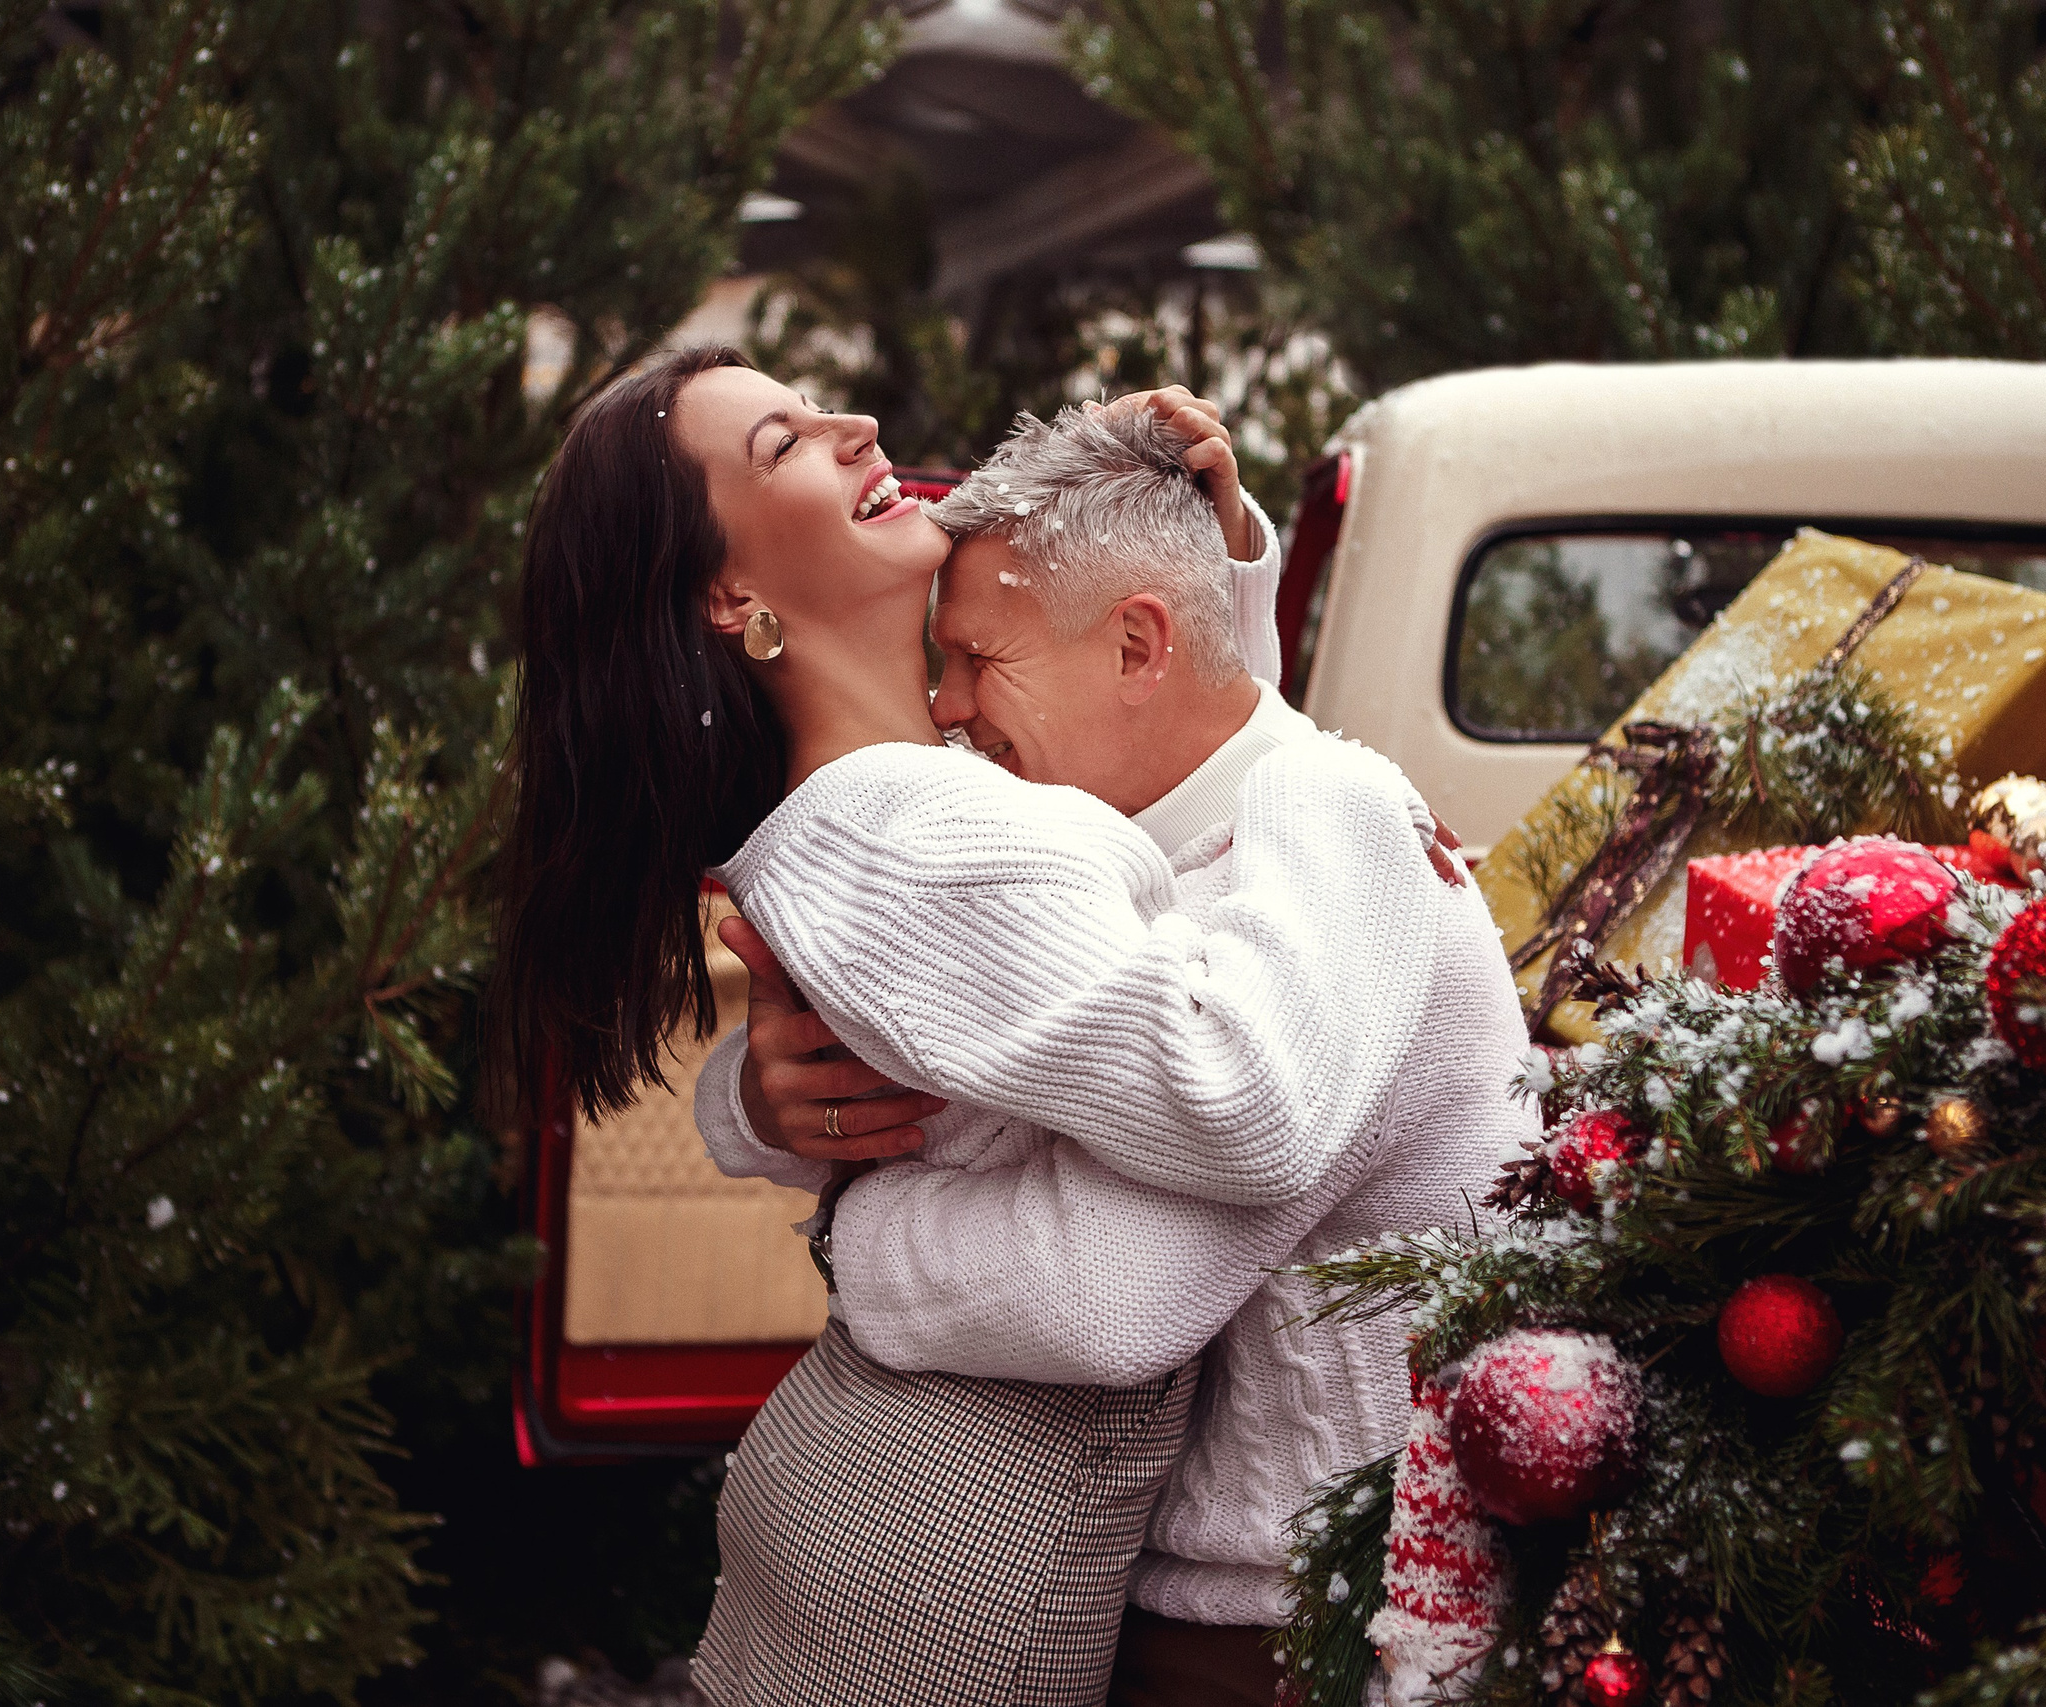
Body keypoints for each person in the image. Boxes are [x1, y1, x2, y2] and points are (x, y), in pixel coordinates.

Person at [489, 347, 1465, 1707]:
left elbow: (1158, 781)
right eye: (785, 442)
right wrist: (1343, 814)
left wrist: (1198, 549)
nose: (858, 426)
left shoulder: (927, 797)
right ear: (730, 596)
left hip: (898, 1529)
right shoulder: (923, 837)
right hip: (949, 1576)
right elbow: (1230, 1096)